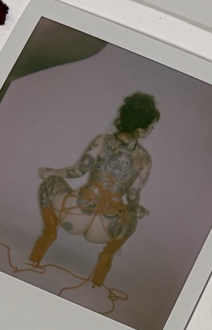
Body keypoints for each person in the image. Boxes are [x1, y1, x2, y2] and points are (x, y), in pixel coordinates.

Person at [29, 90, 159, 285]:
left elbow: (77, 171)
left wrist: (52, 172)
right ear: (141, 129)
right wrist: (135, 209)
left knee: (48, 184)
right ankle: (106, 259)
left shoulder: (103, 140)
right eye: (151, 126)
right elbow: (133, 195)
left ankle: (49, 234)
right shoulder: (145, 159)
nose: (151, 130)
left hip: (74, 215)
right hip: (105, 229)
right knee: (132, 219)